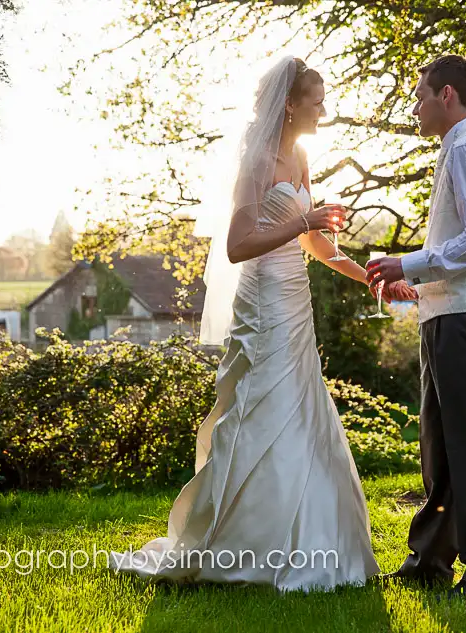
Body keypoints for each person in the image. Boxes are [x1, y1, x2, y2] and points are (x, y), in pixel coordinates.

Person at [108, 56, 381, 593]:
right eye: (317, 100)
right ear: (290, 104)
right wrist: (303, 219)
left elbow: (315, 242)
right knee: (262, 405)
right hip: (261, 300)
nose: (324, 110)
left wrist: (364, 275)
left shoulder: (301, 156)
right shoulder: (256, 162)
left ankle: (312, 537)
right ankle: (239, 540)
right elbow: (237, 246)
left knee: (303, 405)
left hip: (295, 299)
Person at [367, 54, 466, 600]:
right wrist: (414, 280)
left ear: (447, 95)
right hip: (448, 313)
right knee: (441, 447)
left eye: (420, 96)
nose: (415, 107)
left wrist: (406, 263)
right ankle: (430, 562)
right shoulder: (459, 150)